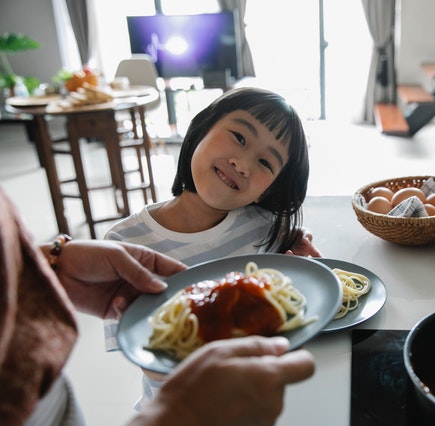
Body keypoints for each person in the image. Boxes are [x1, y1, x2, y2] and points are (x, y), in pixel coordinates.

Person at [0, 187, 315, 426]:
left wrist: (52, 261)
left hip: (45, 401)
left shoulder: (258, 222)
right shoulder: (131, 232)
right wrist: (177, 416)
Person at [101, 86, 321, 409]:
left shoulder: (262, 225)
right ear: (203, 128)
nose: (242, 163)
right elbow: (151, 363)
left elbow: (292, 274)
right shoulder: (124, 244)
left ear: (267, 191)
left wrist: (299, 249)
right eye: (240, 137)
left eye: (264, 163)